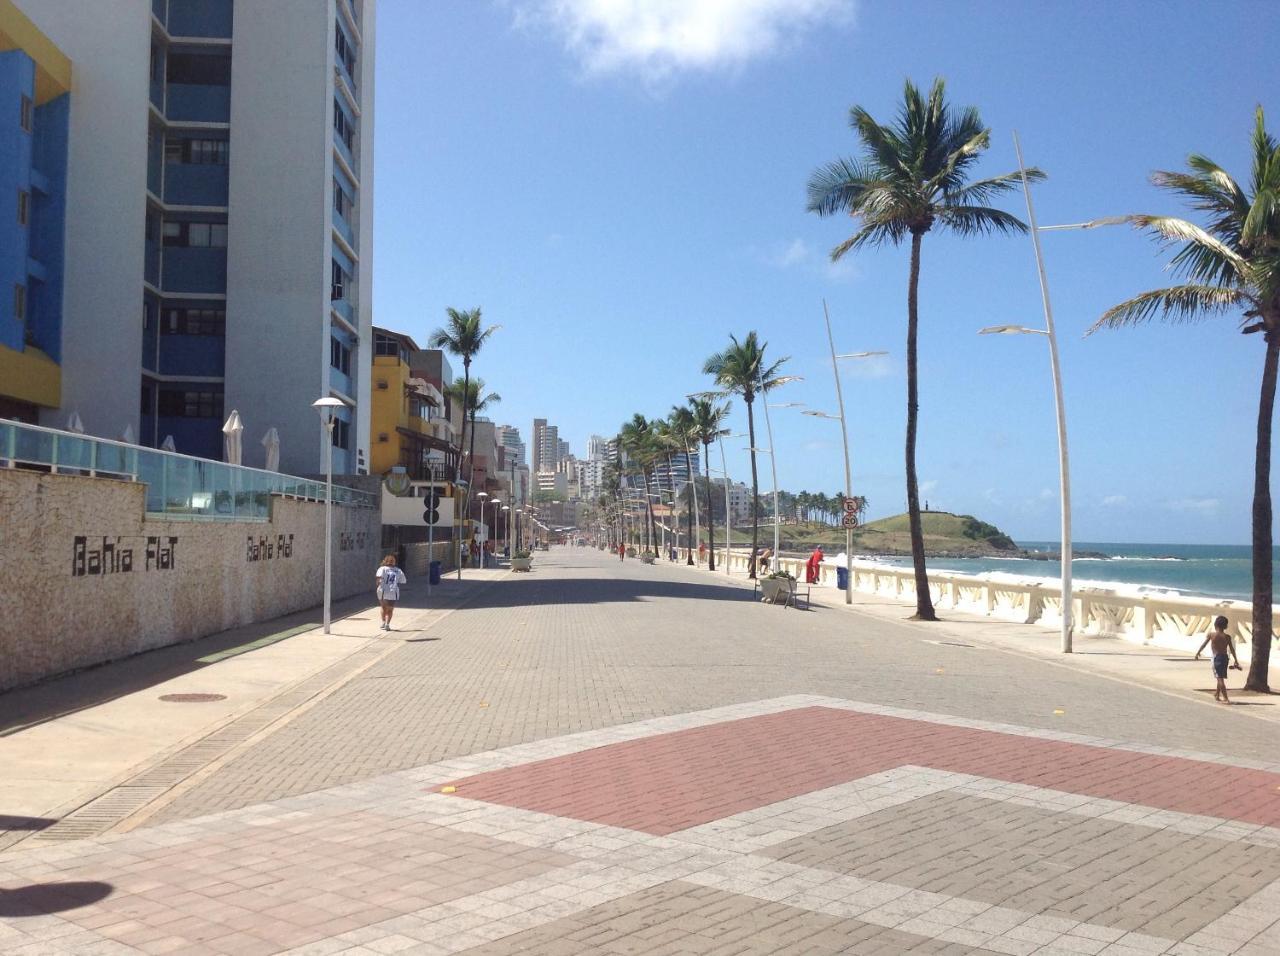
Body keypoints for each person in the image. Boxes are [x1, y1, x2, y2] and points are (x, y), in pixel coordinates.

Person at [1195, 615, 1242, 703]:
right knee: (1220, 676)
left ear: (1215, 624)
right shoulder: (1227, 637)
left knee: (1220, 678)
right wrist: (1236, 659)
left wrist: (1198, 653)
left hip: (1216, 658)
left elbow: (1204, 644)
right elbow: (1232, 649)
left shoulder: (1212, 635)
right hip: (1225, 658)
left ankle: (1226, 698)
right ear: (1225, 626)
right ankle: (1217, 694)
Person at [375, 555, 407, 632]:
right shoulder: (398, 570)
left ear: (385, 561)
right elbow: (403, 581)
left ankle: (383, 622)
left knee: (383, 607)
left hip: (382, 590)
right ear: (394, 562)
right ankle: (387, 624)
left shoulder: (382, 569)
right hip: (393, 591)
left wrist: (379, 583)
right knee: (390, 609)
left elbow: (378, 578)